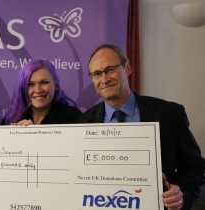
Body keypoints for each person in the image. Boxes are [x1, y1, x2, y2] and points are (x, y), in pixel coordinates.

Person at [76, 44, 205, 210]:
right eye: (97, 74)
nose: (104, 79)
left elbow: (195, 167)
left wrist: (181, 193)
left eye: (110, 69)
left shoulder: (170, 114)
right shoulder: (82, 123)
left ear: (128, 68)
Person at [1, 59, 82, 125]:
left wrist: (35, 134)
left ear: (56, 86)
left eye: (44, 82)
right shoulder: (11, 119)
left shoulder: (72, 117)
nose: (38, 90)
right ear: (23, 88)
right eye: (30, 84)